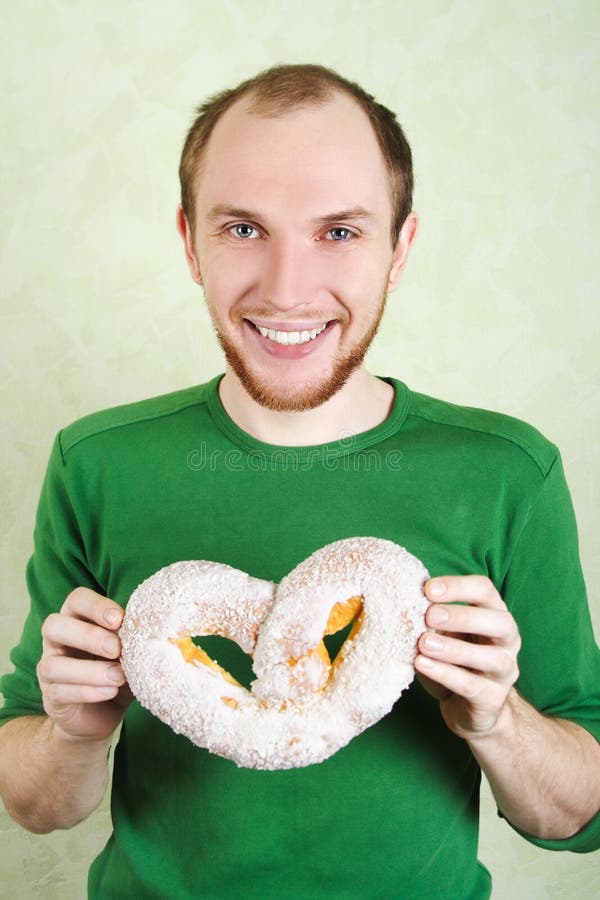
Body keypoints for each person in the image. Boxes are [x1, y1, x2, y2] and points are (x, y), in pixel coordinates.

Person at [0, 63, 599, 899]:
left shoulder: (508, 472)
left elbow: (576, 818)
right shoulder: (97, 462)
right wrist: (72, 735)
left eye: (340, 233)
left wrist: (498, 721)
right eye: (243, 229)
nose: (287, 290)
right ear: (188, 243)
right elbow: (35, 807)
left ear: (400, 249)